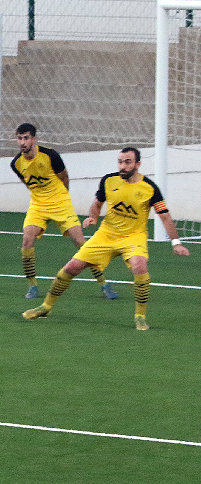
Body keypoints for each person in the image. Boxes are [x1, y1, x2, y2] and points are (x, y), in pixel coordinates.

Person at [23, 147, 189, 330]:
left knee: (139, 265)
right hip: (106, 234)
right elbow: (97, 204)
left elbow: (164, 216)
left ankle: (140, 316)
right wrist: (93, 216)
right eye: (120, 162)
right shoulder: (108, 180)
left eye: (127, 162)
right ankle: (46, 306)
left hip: (133, 237)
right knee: (71, 267)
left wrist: (176, 243)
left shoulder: (150, 188)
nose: (122, 166)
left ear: (137, 164)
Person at [10, 123, 116, 300]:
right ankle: (32, 285)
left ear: (34, 139)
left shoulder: (50, 155)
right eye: (19, 138)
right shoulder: (16, 164)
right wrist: (41, 197)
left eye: (26, 138)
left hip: (60, 203)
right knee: (27, 241)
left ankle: (104, 283)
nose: (22, 142)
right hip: (38, 205)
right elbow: (27, 182)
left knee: (81, 242)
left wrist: (61, 198)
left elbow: (64, 178)